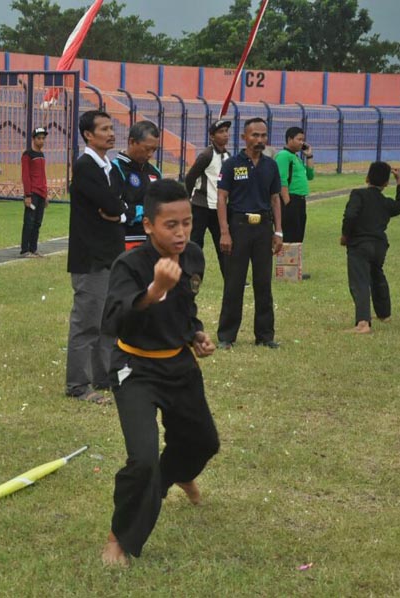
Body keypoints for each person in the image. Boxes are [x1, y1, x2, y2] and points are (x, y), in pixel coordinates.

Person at [100, 179, 220, 566]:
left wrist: (196, 333)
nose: (182, 232)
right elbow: (114, 321)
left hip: (178, 362)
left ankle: (177, 474)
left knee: (203, 443)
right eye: (171, 224)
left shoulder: (195, 256)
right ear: (149, 225)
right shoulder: (129, 265)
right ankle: (120, 536)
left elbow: (185, 308)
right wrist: (152, 291)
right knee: (143, 460)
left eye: (186, 222)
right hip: (135, 367)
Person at [65, 110, 126, 404]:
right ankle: (78, 384)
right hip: (91, 257)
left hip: (110, 254)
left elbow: (118, 203)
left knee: (107, 322)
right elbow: (110, 204)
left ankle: (103, 377)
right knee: (87, 322)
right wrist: (117, 210)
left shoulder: (109, 167)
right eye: (104, 129)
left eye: (112, 128)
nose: (111, 133)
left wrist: (118, 211)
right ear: (89, 134)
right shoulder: (86, 166)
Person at [216, 117, 284, 349]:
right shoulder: (232, 164)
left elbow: (275, 199)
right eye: (255, 135)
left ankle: (265, 336)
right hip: (238, 227)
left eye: (263, 135)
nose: (259, 140)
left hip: (263, 229)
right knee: (234, 283)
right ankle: (227, 336)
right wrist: (224, 232)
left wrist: (279, 232)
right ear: (244, 137)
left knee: (263, 283)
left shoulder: (270, 165)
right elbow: (222, 198)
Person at [340, 162, 400, 334]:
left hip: (359, 245)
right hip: (379, 246)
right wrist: (399, 181)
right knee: (377, 275)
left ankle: (363, 323)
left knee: (360, 281)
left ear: (367, 178)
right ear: (386, 183)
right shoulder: (385, 202)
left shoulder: (358, 195)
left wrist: (345, 235)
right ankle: (384, 314)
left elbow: (350, 215)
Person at [185, 118, 231, 278]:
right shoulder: (206, 155)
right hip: (201, 207)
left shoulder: (227, 156)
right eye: (221, 132)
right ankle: (192, 275)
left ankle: (230, 277)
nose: (225, 135)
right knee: (196, 243)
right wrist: (189, 200)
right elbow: (190, 177)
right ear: (212, 137)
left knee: (224, 244)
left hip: (219, 209)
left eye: (226, 131)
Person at [111, 120, 161, 250]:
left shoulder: (154, 172)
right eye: (147, 149)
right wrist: (147, 212)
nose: (150, 154)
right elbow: (115, 207)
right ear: (132, 142)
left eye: (154, 150)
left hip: (152, 241)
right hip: (125, 240)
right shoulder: (115, 169)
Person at [274, 126, 314, 279]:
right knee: (289, 235)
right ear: (289, 139)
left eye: (302, 140)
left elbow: (310, 176)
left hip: (300, 201)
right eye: (298, 139)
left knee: (297, 235)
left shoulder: (296, 157)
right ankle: (286, 272)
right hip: (290, 200)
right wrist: (287, 202)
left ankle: (293, 269)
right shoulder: (284, 156)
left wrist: (309, 156)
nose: (301, 142)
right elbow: (282, 180)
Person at [20, 126, 49, 257]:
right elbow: (26, 176)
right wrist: (27, 195)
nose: (41, 141)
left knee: (38, 222)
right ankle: (25, 250)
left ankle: (33, 248)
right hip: (33, 193)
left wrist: (46, 194)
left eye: (43, 138)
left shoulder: (41, 155)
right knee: (29, 221)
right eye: (39, 138)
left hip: (42, 193)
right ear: (33, 139)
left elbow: (43, 175)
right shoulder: (28, 155)